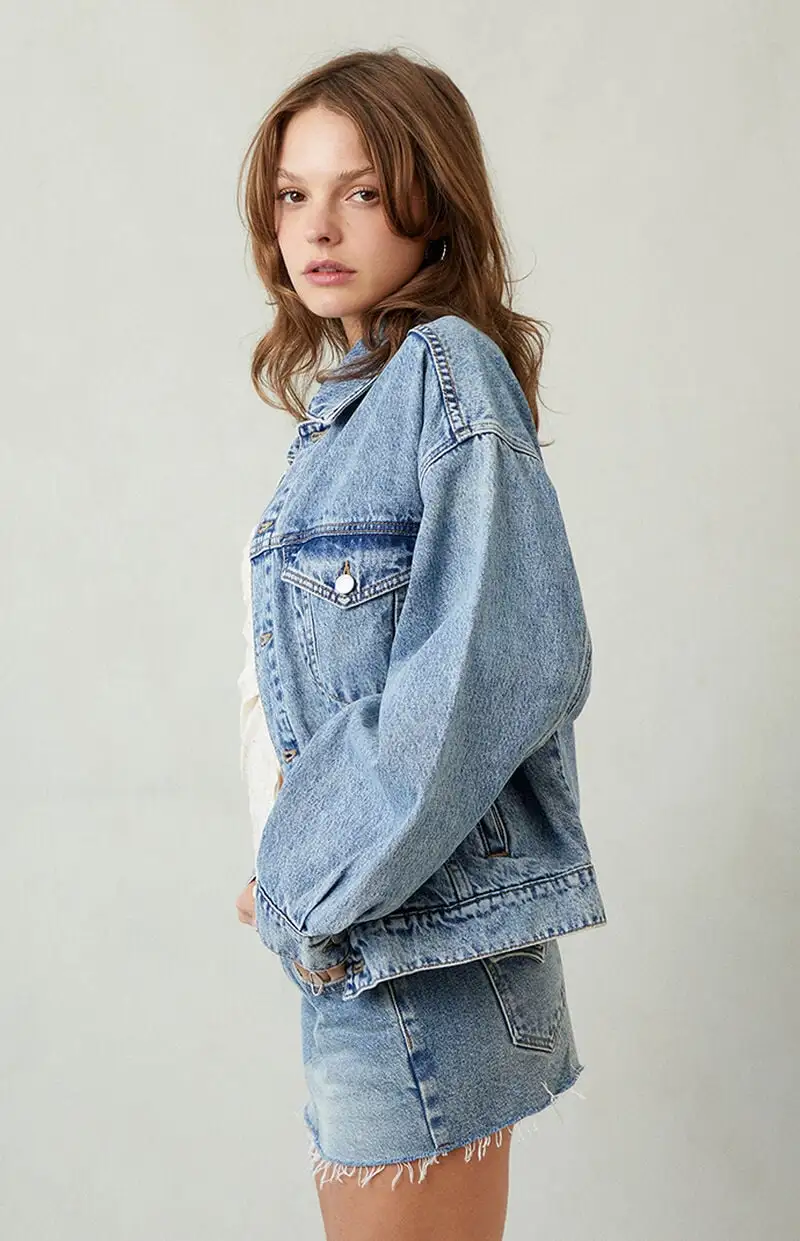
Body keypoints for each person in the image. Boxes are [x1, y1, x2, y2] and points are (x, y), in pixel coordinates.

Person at [232, 46, 607, 1241]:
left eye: (360, 190)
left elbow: (495, 668)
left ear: (429, 202)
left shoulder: (445, 369)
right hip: (368, 937)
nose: (318, 225)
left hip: (411, 953)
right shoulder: (351, 403)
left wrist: (304, 877)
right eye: (293, 193)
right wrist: (293, 867)